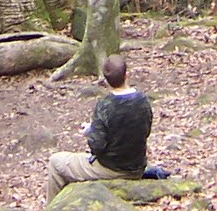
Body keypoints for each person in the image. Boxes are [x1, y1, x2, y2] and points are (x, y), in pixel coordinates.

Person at [46, 54, 154, 202]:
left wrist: (90, 132)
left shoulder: (105, 105)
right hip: (137, 166)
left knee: (56, 162)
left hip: (111, 169)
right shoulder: (143, 101)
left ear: (106, 80)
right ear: (126, 75)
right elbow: (144, 132)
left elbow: (97, 146)